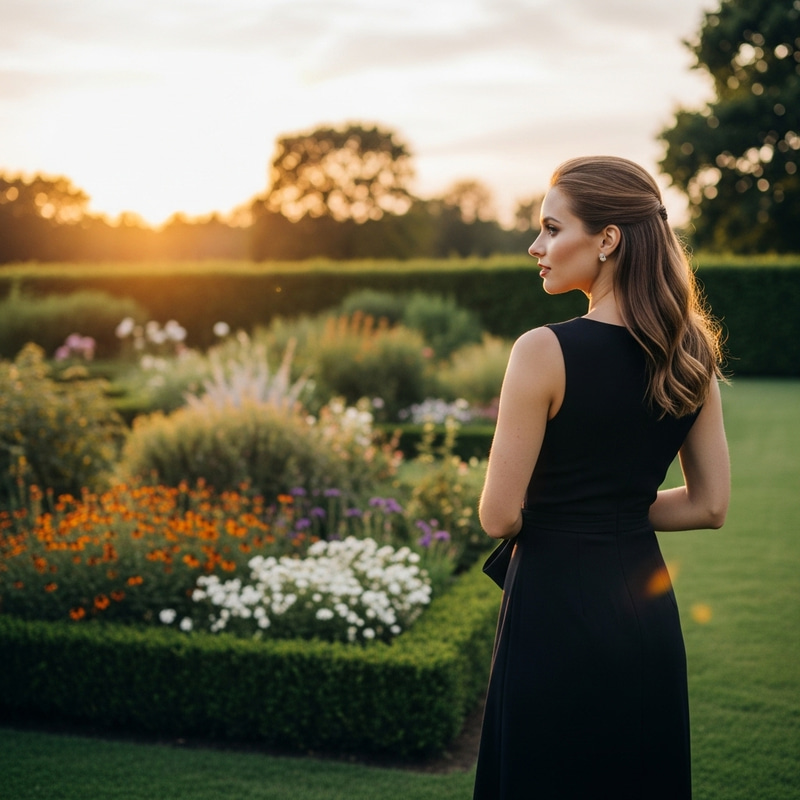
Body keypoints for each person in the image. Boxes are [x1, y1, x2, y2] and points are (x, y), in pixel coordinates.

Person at [472, 155, 730, 800]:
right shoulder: (691, 354)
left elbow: (498, 517)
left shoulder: (542, 350)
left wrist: (573, 515)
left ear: (607, 239)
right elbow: (710, 505)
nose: (537, 246)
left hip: (553, 613)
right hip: (645, 618)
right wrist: (614, 512)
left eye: (552, 229)